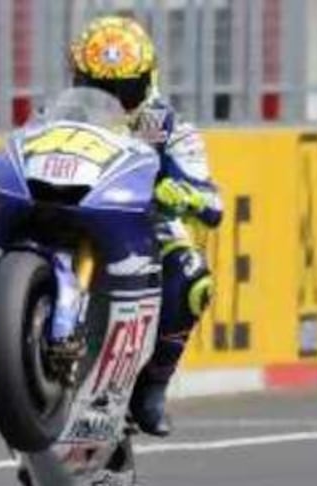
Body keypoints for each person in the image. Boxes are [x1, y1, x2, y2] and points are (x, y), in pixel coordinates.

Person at [70, 16, 224, 436]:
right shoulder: (56, 118)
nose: (114, 101)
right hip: (69, 216)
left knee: (193, 278)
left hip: (140, 223)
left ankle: (151, 387)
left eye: (125, 88)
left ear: (147, 80)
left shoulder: (170, 128)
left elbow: (211, 199)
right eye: (99, 88)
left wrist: (185, 193)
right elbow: (18, 152)